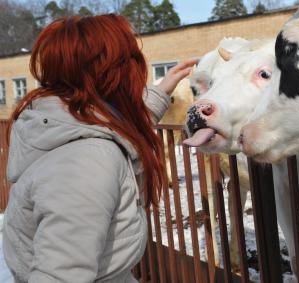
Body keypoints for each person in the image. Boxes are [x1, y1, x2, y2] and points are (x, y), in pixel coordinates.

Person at [3, 14, 197, 283]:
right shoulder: (86, 164)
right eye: (130, 59)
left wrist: (160, 92)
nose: (137, 69)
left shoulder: (67, 125)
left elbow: (111, 130)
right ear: (110, 73)